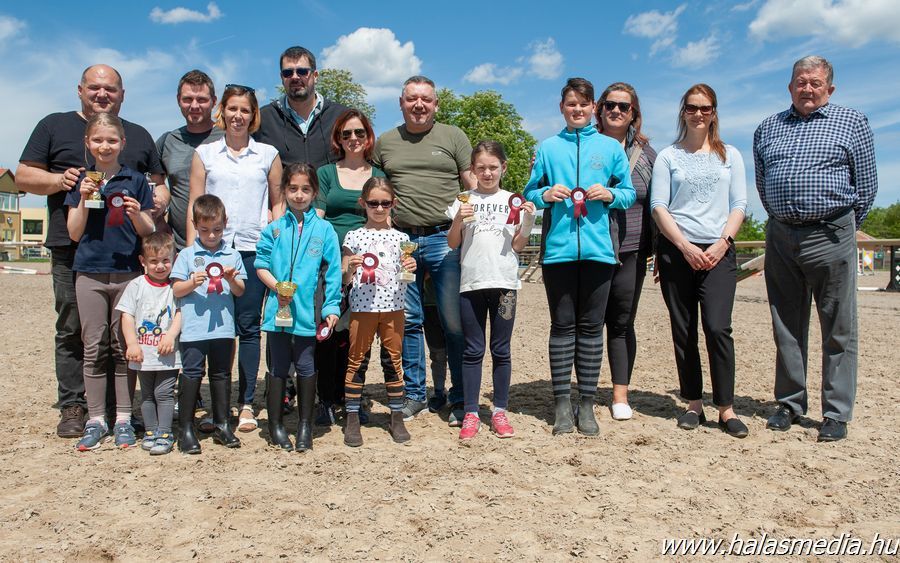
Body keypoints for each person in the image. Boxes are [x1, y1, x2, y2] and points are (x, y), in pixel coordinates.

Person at [16, 64, 165, 438]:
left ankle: (119, 410)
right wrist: (61, 181)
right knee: (73, 329)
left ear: (122, 94)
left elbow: (158, 183)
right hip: (73, 249)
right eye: (95, 88)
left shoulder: (139, 135)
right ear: (80, 90)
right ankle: (75, 406)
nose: (102, 94)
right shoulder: (53, 125)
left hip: (125, 254)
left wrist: (152, 205)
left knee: (122, 335)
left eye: (110, 89)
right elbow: (23, 176)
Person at [754, 56, 878, 442]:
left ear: (830, 88)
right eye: (801, 81)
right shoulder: (767, 127)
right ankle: (790, 403)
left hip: (831, 233)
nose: (807, 88)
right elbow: (763, 182)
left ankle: (836, 413)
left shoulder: (852, 122)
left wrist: (840, 226)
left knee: (839, 327)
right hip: (781, 235)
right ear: (790, 86)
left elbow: (867, 185)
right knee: (786, 325)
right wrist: (784, 217)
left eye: (815, 82)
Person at [524, 78, 635, 437]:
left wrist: (610, 195)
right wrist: (545, 194)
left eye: (584, 104)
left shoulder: (610, 147)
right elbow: (529, 193)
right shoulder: (548, 147)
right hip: (558, 253)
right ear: (562, 107)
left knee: (590, 329)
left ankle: (586, 404)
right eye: (571, 104)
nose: (578, 110)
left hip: (599, 252)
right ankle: (561, 404)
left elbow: (629, 193)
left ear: (593, 109)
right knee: (561, 327)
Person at [372, 75, 476, 425]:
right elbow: (378, 189)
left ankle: (460, 397)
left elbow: (472, 182)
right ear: (401, 103)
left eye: (426, 99)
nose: (419, 105)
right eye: (412, 99)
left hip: (445, 238)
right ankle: (415, 395)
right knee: (410, 320)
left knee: (453, 321)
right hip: (402, 241)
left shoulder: (453, 136)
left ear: (436, 104)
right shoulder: (386, 142)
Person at [650, 83, 749, 438]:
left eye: (705, 108)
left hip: (719, 250)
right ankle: (693, 403)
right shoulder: (668, 156)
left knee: (718, 327)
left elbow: (739, 204)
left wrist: (723, 243)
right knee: (684, 328)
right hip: (678, 251)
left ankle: (726, 408)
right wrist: (683, 245)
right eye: (692, 108)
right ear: (683, 112)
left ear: (714, 113)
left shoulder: (730, 155)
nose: (698, 114)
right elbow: (658, 205)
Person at [188, 84, 283, 432]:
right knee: (217, 330)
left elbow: (277, 203)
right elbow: (194, 203)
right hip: (213, 251)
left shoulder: (268, 155)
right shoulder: (205, 154)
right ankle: (219, 406)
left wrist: (276, 244)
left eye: (245, 110)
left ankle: (246, 404)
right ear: (222, 112)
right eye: (232, 109)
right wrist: (193, 253)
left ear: (253, 115)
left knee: (248, 328)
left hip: (252, 250)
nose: (238, 116)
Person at [65, 113, 156, 450]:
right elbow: (74, 233)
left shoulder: (136, 180)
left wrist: (136, 213)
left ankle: (123, 418)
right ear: (88, 143)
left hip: (128, 273)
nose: (105, 146)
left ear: (122, 143)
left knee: (122, 348)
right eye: (98, 140)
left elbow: (148, 229)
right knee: (93, 347)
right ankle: (95, 418)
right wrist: (84, 197)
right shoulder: (82, 180)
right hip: (89, 272)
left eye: (112, 140)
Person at [447, 141, 536, 440]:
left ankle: (499, 411)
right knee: (473, 350)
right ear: (473, 169)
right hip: (471, 284)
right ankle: (471, 412)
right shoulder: (463, 200)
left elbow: (518, 246)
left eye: (493, 167)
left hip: (504, 285)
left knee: (501, 349)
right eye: (481, 168)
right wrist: (458, 218)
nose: (487, 173)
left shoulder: (513, 200)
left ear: (503, 168)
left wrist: (528, 222)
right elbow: (453, 243)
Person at [255, 163, 342, 452]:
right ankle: (276, 425)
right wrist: (277, 287)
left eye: (305, 189)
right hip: (277, 311)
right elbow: (261, 265)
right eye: (293, 188)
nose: (299, 195)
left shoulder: (325, 230)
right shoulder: (274, 229)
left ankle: (305, 426)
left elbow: (332, 273)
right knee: (278, 367)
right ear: (284, 191)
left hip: (307, 312)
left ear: (314, 192)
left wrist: (331, 307)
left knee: (306, 366)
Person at [314, 109, 391, 425]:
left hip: (367, 265)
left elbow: (385, 218)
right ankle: (325, 399)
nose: (353, 138)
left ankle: (351, 398)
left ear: (368, 136)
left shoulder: (378, 175)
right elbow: (318, 219)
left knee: (357, 335)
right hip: (330, 263)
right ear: (339, 138)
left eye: (359, 132)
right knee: (328, 332)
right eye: (346, 134)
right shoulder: (326, 173)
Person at [594, 83, 658, 421]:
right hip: (590, 247)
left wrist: (660, 251)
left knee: (621, 322)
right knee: (588, 322)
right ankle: (586, 389)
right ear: (600, 109)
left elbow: (659, 203)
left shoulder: (648, 155)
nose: (616, 111)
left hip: (632, 248)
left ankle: (620, 394)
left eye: (624, 106)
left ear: (634, 113)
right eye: (610, 105)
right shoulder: (582, 146)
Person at [341, 177, 416, 447]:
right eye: (373, 203)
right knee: (357, 360)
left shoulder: (402, 239)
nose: (380, 208)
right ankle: (352, 417)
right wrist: (350, 268)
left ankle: (396, 416)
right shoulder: (353, 236)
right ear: (363, 203)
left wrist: (411, 266)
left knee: (393, 361)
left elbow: (406, 274)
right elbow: (344, 278)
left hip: (394, 307)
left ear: (394, 204)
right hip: (363, 307)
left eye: (385, 203)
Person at [172, 194, 246, 453]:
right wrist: (191, 283)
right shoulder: (186, 255)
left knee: (221, 374)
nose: (211, 235)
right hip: (193, 330)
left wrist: (232, 279)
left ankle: (222, 425)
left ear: (225, 223)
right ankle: (186, 429)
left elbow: (240, 291)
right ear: (194, 225)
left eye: (216, 229)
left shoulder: (233, 255)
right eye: (204, 230)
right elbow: (176, 289)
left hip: (223, 329)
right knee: (192, 374)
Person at [116, 232, 183, 455]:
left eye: (165, 260)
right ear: (143, 261)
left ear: (174, 259)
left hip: (167, 354)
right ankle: (151, 431)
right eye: (153, 261)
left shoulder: (176, 287)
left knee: (164, 393)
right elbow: (127, 316)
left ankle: (165, 433)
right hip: (143, 354)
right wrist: (132, 344)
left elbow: (180, 313)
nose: (160, 266)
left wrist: (171, 335)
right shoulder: (136, 286)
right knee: (146, 395)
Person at [157, 70, 224, 249]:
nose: (194, 105)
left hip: (224, 246)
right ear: (178, 100)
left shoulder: (229, 139)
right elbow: (155, 183)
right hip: (178, 246)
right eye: (188, 99)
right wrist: (159, 219)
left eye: (201, 99)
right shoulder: (167, 140)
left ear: (214, 101)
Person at [255, 45, 349, 168]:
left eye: (302, 71)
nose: (295, 77)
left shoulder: (342, 117)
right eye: (288, 73)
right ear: (282, 78)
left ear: (315, 76)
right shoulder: (263, 119)